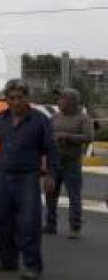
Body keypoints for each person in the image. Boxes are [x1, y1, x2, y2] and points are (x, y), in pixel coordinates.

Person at [0, 79, 59, 280]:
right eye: (12, 98)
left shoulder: (40, 119)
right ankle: (8, 260)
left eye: (20, 97)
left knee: (28, 223)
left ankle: (33, 265)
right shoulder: (1, 118)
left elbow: (51, 149)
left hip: (28, 178)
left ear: (27, 98)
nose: (16, 102)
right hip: (3, 175)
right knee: (0, 220)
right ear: (7, 99)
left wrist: (51, 174)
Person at [44, 88, 93, 239]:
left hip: (71, 162)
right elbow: (46, 135)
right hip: (54, 162)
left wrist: (68, 136)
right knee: (50, 194)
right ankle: (51, 224)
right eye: (59, 99)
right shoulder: (54, 117)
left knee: (74, 195)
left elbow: (88, 137)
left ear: (72, 101)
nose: (59, 102)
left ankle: (75, 227)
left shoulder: (83, 118)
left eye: (62, 99)